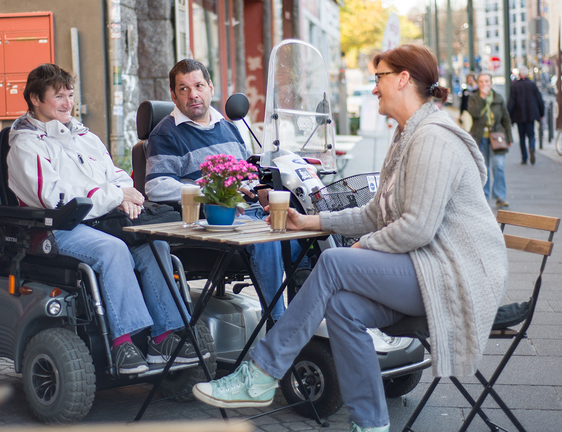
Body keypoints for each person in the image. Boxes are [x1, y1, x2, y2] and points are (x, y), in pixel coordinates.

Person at [191, 45, 508, 432]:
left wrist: (363, 247)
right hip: (425, 268)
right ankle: (370, 423)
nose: (374, 88)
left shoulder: (433, 139)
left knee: (335, 263)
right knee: (342, 307)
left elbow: (418, 227)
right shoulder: (407, 136)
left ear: (403, 79)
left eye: (379, 78)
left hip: (453, 276)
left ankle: (261, 373)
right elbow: (377, 213)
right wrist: (310, 222)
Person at [7, 64, 208, 375]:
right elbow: (57, 198)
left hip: (101, 220)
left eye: (70, 95)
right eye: (58, 96)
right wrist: (116, 197)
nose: (67, 103)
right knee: (113, 250)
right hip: (59, 227)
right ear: (35, 98)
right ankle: (122, 342)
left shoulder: (82, 134)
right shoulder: (25, 144)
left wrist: (124, 195)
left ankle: (164, 338)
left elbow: (115, 176)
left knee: (154, 245)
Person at [145, 59, 287, 320]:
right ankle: (280, 324)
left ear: (210, 87)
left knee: (307, 241)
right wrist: (212, 191)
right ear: (173, 96)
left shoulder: (230, 127)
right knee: (266, 238)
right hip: (211, 221)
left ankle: (311, 321)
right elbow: (156, 186)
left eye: (198, 85)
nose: (193, 94)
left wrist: (260, 189)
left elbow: (246, 176)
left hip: (250, 212)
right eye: (184, 89)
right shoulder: (165, 133)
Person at [468, 72, 513, 207]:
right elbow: (473, 113)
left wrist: (509, 137)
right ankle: (484, 197)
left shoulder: (498, 98)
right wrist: (482, 97)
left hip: (497, 137)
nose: (484, 84)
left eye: (486, 81)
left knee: (498, 165)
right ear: (478, 83)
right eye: (481, 82)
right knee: (483, 168)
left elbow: (505, 118)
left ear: (491, 83)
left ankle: (500, 196)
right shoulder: (474, 98)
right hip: (480, 137)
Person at [507, 66, 545, 165]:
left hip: (519, 116)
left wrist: (508, 116)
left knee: (522, 138)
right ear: (527, 74)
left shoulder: (515, 86)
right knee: (531, 134)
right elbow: (539, 100)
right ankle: (532, 147)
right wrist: (541, 113)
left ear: (519, 75)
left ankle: (524, 158)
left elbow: (511, 103)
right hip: (531, 115)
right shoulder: (532, 85)